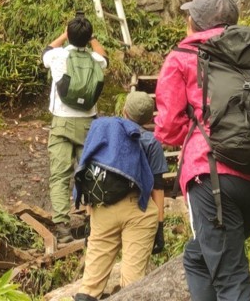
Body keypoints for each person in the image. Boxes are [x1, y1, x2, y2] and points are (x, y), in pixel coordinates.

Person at [155, 0, 250, 301]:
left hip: (212, 177)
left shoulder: (183, 57)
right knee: (198, 257)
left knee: (231, 280)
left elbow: (169, 130)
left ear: (195, 23)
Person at [73, 92, 167, 301]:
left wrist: (90, 217)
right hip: (138, 212)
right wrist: (159, 226)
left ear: (124, 111)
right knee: (132, 285)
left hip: (103, 210)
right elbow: (157, 188)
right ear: (150, 119)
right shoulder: (151, 142)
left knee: (90, 285)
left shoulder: (104, 133)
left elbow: (90, 174)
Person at [42, 15, 108, 244]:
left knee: (60, 175)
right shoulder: (95, 59)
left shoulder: (58, 56)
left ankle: (62, 227)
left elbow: (47, 50)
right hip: (88, 125)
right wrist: (93, 38)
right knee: (90, 174)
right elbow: (104, 56)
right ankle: (94, 223)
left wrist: (65, 34)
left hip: (61, 122)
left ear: (69, 35)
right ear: (88, 38)